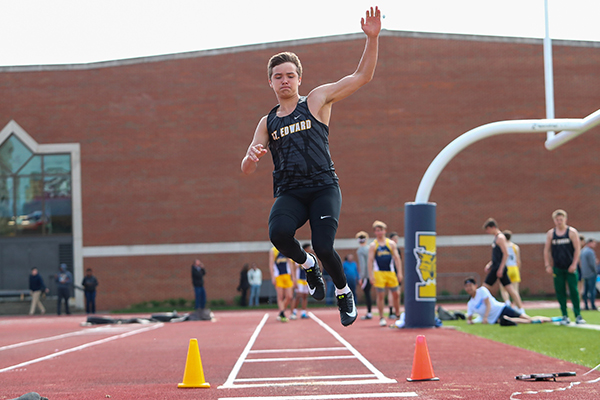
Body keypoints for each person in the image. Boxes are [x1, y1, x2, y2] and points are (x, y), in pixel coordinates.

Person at [240, 6, 381, 327]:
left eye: (290, 75)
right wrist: (251, 158)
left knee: (323, 244)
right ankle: (308, 266)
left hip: (322, 188)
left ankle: (344, 292)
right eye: (278, 76)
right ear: (271, 83)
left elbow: (363, 76)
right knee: (278, 234)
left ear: (299, 79)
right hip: (290, 192)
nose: (284, 80)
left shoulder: (316, 101)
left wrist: (372, 39)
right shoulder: (267, 121)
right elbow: (246, 168)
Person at [543, 209, 586, 325]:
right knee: (560, 291)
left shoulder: (571, 232)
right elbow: (546, 250)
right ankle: (564, 315)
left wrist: (574, 264)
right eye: (557, 220)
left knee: (573, 290)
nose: (559, 222)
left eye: (561, 219)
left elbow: (578, 249)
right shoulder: (551, 234)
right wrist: (547, 265)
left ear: (565, 220)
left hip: (570, 267)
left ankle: (578, 315)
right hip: (557, 267)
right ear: (554, 221)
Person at [464, 277, 559, 326]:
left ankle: (551, 319)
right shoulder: (470, 303)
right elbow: (469, 317)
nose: (469, 288)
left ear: (475, 285)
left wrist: (485, 317)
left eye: (470, 285)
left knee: (525, 317)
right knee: (508, 320)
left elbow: (488, 304)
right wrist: (470, 321)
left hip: (501, 309)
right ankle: (534, 322)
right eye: (467, 287)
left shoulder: (482, 291)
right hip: (494, 319)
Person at [481, 218, 524, 313]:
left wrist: (500, 269)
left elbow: (506, 254)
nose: (487, 232)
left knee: (483, 289)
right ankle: (520, 308)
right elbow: (497, 255)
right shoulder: (496, 238)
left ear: (493, 227)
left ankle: (484, 310)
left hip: (498, 268)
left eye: (488, 229)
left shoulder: (500, 238)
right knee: (510, 289)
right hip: (496, 267)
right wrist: (490, 264)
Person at [367, 220, 403, 327]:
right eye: (377, 230)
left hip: (390, 272)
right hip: (379, 273)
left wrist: (399, 272)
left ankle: (397, 315)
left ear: (385, 231)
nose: (379, 232)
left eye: (381, 230)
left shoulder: (391, 244)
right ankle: (382, 317)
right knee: (381, 295)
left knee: (396, 294)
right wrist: (371, 275)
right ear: (375, 232)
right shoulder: (373, 245)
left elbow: (397, 259)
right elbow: (370, 260)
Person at [269, 246, 294, 322]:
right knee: (280, 296)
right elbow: (271, 264)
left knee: (289, 296)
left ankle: (281, 312)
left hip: (287, 276)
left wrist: (293, 277)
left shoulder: (286, 249)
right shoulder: (273, 251)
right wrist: (273, 276)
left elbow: (290, 263)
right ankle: (283, 313)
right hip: (278, 276)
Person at [498, 230, 522, 306]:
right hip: (514, 268)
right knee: (515, 290)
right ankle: (515, 305)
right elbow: (518, 260)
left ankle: (507, 302)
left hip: (506, 268)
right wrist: (518, 270)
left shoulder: (502, 246)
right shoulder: (515, 247)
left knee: (503, 288)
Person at [291, 243, 312, 319]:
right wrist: (294, 280)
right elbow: (295, 269)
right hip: (299, 279)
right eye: (309, 249)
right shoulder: (299, 257)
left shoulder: (309, 258)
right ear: (305, 249)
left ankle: (303, 312)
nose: (310, 250)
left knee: (305, 296)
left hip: (306, 280)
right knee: (298, 296)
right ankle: (294, 311)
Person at [355, 231, 373, 320]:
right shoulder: (369, 248)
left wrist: (362, 277)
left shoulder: (360, 250)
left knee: (367, 293)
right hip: (373, 273)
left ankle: (369, 312)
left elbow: (363, 265)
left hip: (367, 275)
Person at [388, 231, 403, 318]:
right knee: (393, 292)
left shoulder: (396, 249)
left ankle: (396, 311)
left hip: (395, 271)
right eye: (394, 239)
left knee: (396, 292)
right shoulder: (391, 248)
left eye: (397, 239)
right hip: (392, 271)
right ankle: (392, 311)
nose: (396, 240)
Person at [580, 238, 598, 311]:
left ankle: (586, 305)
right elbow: (592, 264)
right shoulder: (590, 252)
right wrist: (595, 271)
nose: (595, 245)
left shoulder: (582, 251)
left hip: (584, 273)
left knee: (586, 290)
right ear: (590, 243)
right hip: (591, 273)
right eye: (594, 243)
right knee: (592, 290)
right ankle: (593, 305)